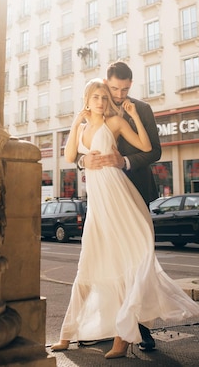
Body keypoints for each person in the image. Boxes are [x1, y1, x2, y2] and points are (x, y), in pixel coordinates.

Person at [51, 79, 199, 359]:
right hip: (97, 203)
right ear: (86, 99)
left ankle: (122, 340)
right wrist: (75, 125)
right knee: (88, 263)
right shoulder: (83, 127)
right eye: (94, 97)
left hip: (119, 195)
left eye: (102, 96)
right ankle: (66, 334)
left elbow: (146, 146)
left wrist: (133, 115)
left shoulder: (116, 122)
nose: (100, 101)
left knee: (124, 263)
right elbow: (71, 155)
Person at [78, 60, 161, 350]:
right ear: (106, 82)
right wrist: (81, 161)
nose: (119, 94)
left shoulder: (142, 109)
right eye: (114, 88)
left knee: (138, 261)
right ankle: (108, 325)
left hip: (135, 193)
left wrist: (123, 161)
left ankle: (141, 328)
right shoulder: (94, 108)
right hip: (104, 198)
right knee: (104, 260)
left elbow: (155, 151)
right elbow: (81, 149)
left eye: (124, 89)